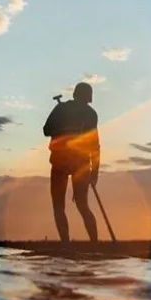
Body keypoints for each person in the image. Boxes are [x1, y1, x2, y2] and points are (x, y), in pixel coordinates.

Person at [42, 82, 100, 242]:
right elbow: (47, 130)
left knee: (80, 205)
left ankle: (93, 243)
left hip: (78, 164)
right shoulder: (63, 109)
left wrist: (94, 172)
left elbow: (94, 145)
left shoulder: (89, 114)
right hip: (62, 162)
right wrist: (63, 128)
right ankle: (67, 244)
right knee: (61, 206)